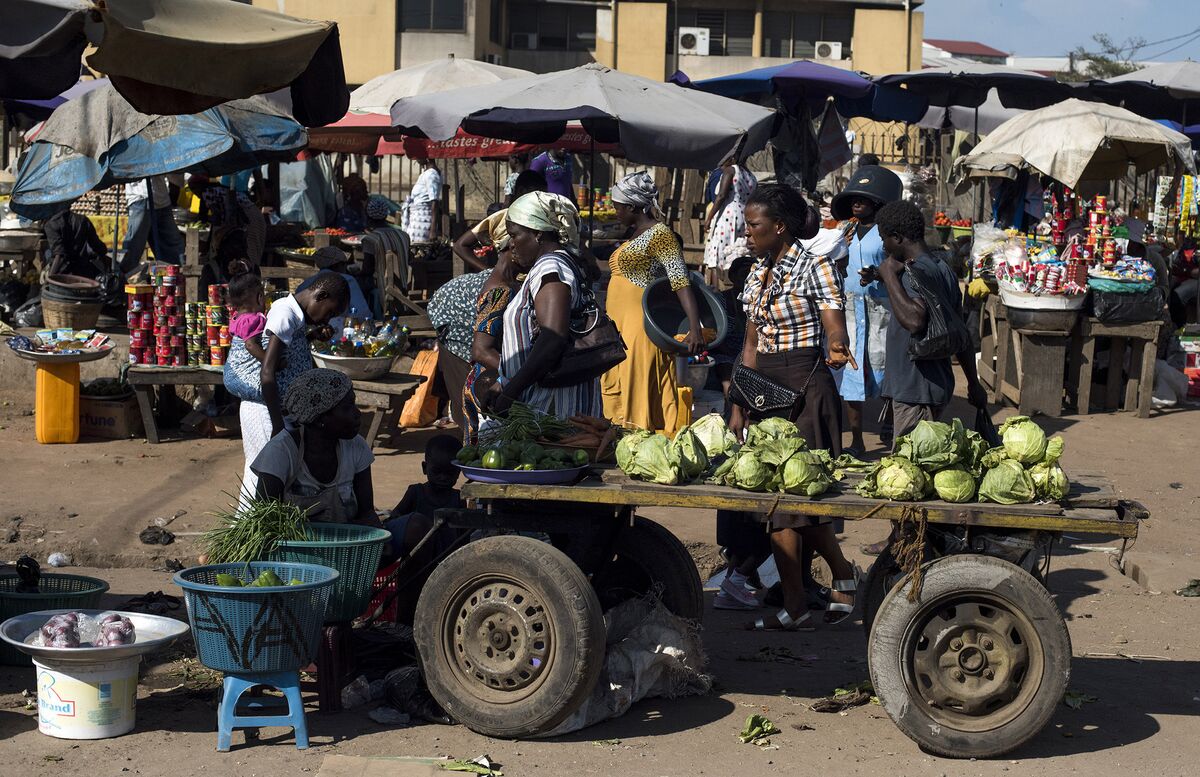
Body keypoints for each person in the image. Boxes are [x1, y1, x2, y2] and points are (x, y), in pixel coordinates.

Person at [730, 184, 859, 631]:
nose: (747, 233)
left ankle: (815, 592)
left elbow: (833, 321)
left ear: (779, 227)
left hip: (806, 388)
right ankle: (816, 590)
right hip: (765, 390)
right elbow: (750, 345)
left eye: (754, 225)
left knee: (798, 501)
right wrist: (740, 404)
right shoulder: (755, 272)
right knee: (776, 504)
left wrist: (839, 346)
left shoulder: (815, 266)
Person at [477, 191, 600, 420]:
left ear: (537, 234)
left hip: (551, 407)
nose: (511, 245)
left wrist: (511, 391)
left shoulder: (550, 267)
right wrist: (504, 383)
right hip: (540, 399)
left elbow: (552, 338)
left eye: (515, 236)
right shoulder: (552, 266)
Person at [872, 200, 987, 437]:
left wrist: (889, 276)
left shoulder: (911, 272)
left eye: (884, 238)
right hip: (934, 386)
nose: (883, 246)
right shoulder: (941, 268)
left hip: (916, 391)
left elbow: (915, 320)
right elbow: (961, 331)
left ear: (897, 237)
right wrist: (973, 384)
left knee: (909, 469)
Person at [600, 171, 703, 432]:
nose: (615, 212)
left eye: (618, 207)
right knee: (618, 382)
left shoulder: (660, 235)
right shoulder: (635, 235)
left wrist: (695, 327)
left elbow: (680, 280)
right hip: (619, 326)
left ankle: (642, 438)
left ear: (633, 206)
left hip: (639, 328)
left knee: (639, 381)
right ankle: (621, 440)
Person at [237, 272, 350, 505]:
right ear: (320, 295)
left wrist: (311, 336)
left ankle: (259, 530)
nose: (326, 319)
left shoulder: (293, 314)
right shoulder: (285, 314)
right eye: (329, 312)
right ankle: (253, 533)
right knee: (262, 473)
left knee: (271, 472)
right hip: (265, 409)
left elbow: (286, 352)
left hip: (274, 407)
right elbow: (267, 372)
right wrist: (277, 423)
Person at [829, 165, 903, 456]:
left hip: (881, 310)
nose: (857, 203)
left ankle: (892, 426)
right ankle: (857, 439)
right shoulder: (845, 230)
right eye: (854, 198)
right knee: (850, 375)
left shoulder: (887, 233)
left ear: (878, 203)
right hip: (848, 310)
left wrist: (878, 275)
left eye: (864, 198)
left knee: (887, 371)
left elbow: (899, 264)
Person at [253, 368, 376, 524]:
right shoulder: (280, 451)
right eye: (347, 408)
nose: (357, 413)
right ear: (319, 418)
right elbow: (263, 520)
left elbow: (367, 513)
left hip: (347, 543)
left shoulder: (356, 446)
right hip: (294, 546)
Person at [463, 231, 522, 445]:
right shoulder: (500, 291)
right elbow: (480, 350)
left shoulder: (508, 283)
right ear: (511, 248)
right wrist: (520, 377)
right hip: (490, 383)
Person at [427, 268, 491, 430]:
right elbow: (480, 352)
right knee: (464, 394)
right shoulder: (499, 291)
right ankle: (471, 438)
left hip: (465, 309)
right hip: (452, 312)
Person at [453, 170, 547, 273]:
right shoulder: (502, 218)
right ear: (521, 191)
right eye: (537, 196)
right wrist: (488, 272)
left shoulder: (543, 221)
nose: (541, 201)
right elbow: (460, 246)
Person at [385, 434, 462, 560]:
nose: (443, 478)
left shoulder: (459, 498)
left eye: (449, 473)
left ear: (459, 472)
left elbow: (464, 538)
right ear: (425, 468)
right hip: (416, 562)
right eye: (437, 472)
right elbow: (396, 516)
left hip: (448, 563)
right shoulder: (415, 492)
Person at [703, 159, 757, 284]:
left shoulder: (730, 171)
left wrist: (709, 217)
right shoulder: (750, 175)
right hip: (744, 216)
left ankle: (721, 288)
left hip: (728, 215)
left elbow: (721, 195)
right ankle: (737, 285)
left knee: (721, 254)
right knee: (738, 251)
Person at [121, 176, 184, 275]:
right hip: (141, 197)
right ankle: (122, 279)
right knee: (133, 247)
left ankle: (173, 279)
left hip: (162, 200)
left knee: (172, 248)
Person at [306, 246, 372, 329]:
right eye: (344, 264)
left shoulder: (306, 283)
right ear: (339, 265)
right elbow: (362, 312)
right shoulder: (347, 280)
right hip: (338, 332)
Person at [42, 208, 110, 280]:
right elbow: (99, 247)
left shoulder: (50, 225)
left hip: (63, 275)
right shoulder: (83, 220)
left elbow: (59, 256)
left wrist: (50, 278)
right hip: (83, 273)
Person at [227, 261, 268, 365]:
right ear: (260, 297)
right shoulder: (251, 320)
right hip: (244, 373)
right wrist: (271, 364)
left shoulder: (236, 317)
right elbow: (250, 345)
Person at [401, 159, 443, 242]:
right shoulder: (426, 173)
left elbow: (435, 201)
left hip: (422, 222)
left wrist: (433, 230)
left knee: (418, 249)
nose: (415, 159)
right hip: (417, 219)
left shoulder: (431, 174)